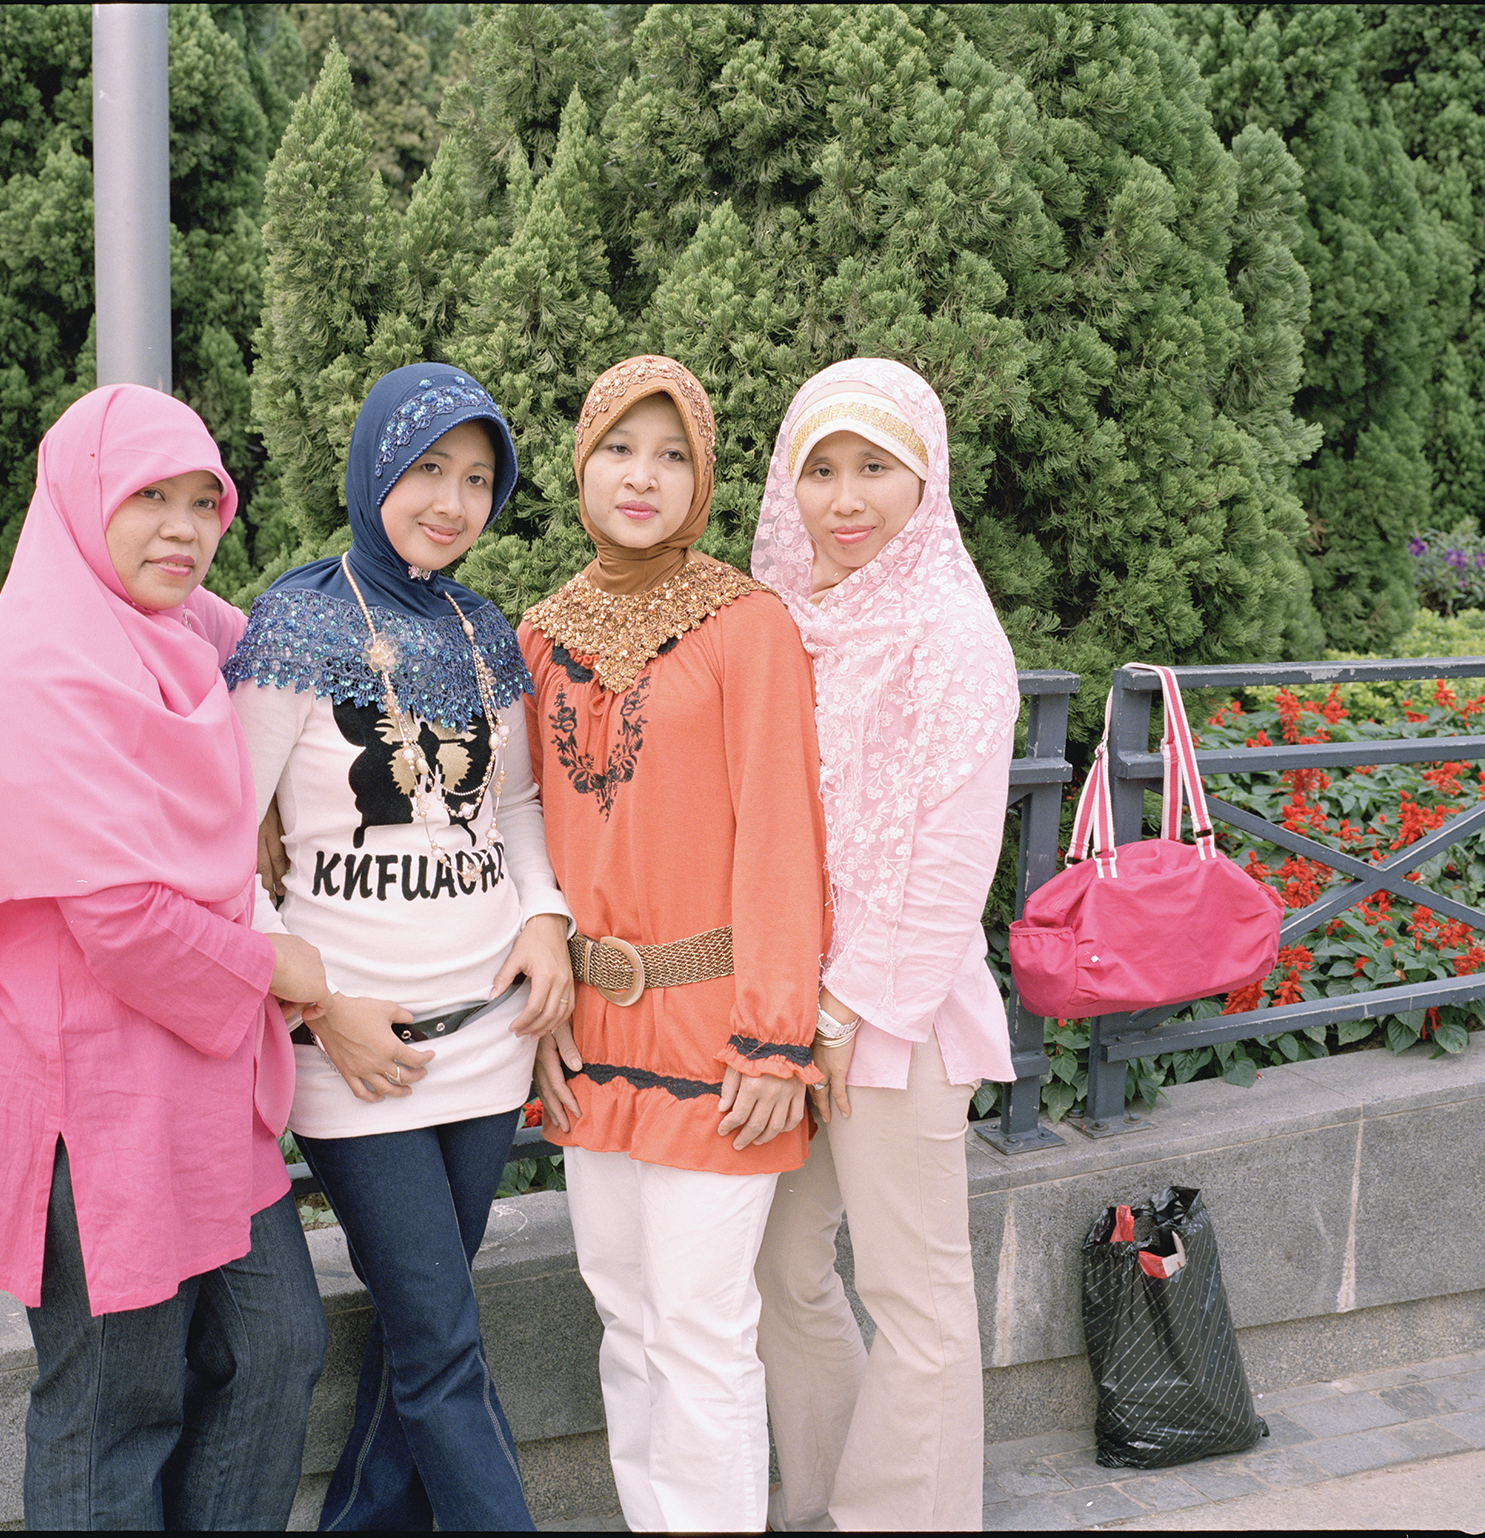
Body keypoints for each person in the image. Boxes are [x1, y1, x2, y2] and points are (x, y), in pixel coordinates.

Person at [0, 384, 331, 1530]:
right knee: (116, 1402)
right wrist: (281, 969)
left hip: (197, 1077)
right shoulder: (40, 667)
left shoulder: (184, 631)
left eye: (206, 500)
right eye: (150, 497)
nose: (184, 528)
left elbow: (298, 649)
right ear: (83, 495)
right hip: (90, 1097)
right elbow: (121, 919)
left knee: (278, 1345)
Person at [225, 363, 575, 1532]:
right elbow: (219, 845)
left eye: (478, 479)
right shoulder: (298, 621)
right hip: (358, 1049)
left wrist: (544, 915)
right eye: (428, 468)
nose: (452, 501)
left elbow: (513, 807)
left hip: (487, 1038)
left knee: (425, 1331)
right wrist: (320, 1006)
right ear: (377, 465)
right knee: (439, 1339)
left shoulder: (483, 632)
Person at [522, 355, 829, 1533]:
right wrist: (540, 1010)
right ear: (582, 464)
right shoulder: (541, 635)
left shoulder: (748, 624)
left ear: (703, 477)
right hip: (592, 1032)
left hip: (719, 1033)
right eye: (618, 448)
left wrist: (775, 1036)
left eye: (670, 454)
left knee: (701, 1327)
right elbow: (521, 835)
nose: (641, 476)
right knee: (626, 1314)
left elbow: (782, 835)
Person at [747, 358, 1020, 1532]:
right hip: (791, 1012)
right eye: (821, 469)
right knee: (779, 1265)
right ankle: (821, 1496)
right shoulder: (788, 620)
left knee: (914, 1291)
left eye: (875, 467)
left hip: (894, 1019)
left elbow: (949, 865)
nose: (846, 497)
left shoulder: (952, 632)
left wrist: (847, 1011)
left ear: (925, 479)